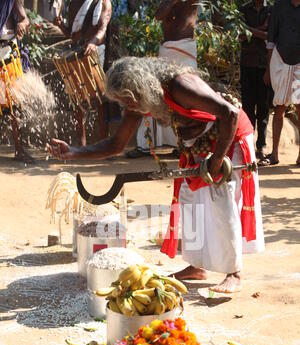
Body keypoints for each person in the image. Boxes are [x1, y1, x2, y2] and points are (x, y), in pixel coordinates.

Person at [48, 56, 265, 293]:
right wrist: (74, 153)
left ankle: (234, 272)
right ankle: (197, 265)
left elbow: (230, 113)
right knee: (189, 199)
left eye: (128, 101)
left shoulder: (181, 85)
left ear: (140, 88)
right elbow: (116, 144)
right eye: (123, 103)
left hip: (229, 138)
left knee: (220, 201)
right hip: (201, 144)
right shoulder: (139, 103)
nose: (127, 108)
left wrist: (216, 159)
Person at [128, 0, 199, 158]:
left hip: (184, 51)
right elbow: (158, 15)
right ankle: (146, 145)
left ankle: (184, 144)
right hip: (167, 51)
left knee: (186, 100)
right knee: (154, 96)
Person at [53, 0, 112, 146]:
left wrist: (93, 42)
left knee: (101, 99)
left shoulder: (104, 2)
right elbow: (73, 35)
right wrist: (60, 26)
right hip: (77, 51)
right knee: (77, 99)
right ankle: (81, 144)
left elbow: (102, 28)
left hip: (96, 51)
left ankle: (104, 143)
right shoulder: (73, 4)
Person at [264, 0, 300, 166]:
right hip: (280, 60)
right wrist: (267, 69)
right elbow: (271, 38)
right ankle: (275, 153)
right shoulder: (279, 5)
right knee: (280, 107)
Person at [239, 0, 273, 164]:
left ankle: (262, 146)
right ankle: (248, 144)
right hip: (247, 64)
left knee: (263, 109)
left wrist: (250, 31)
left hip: (264, 65)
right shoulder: (243, 9)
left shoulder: (271, 9)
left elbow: (270, 36)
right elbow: (240, 36)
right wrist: (261, 28)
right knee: (247, 107)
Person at [0, 0, 33, 162]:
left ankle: (19, 150)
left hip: (8, 54)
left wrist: (22, 24)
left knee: (15, 104)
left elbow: (25, 19)